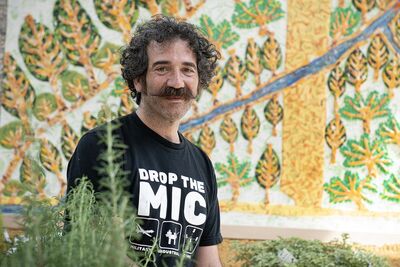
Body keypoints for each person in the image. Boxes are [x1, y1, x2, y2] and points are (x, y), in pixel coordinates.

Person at [67, 15, 223, 266]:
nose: (176, 82)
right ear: (138, 80)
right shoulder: (103, 145)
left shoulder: (201, 164)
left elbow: (209, 259)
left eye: (187, 70)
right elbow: (94, 250)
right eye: (162, 68)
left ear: (199, 81)